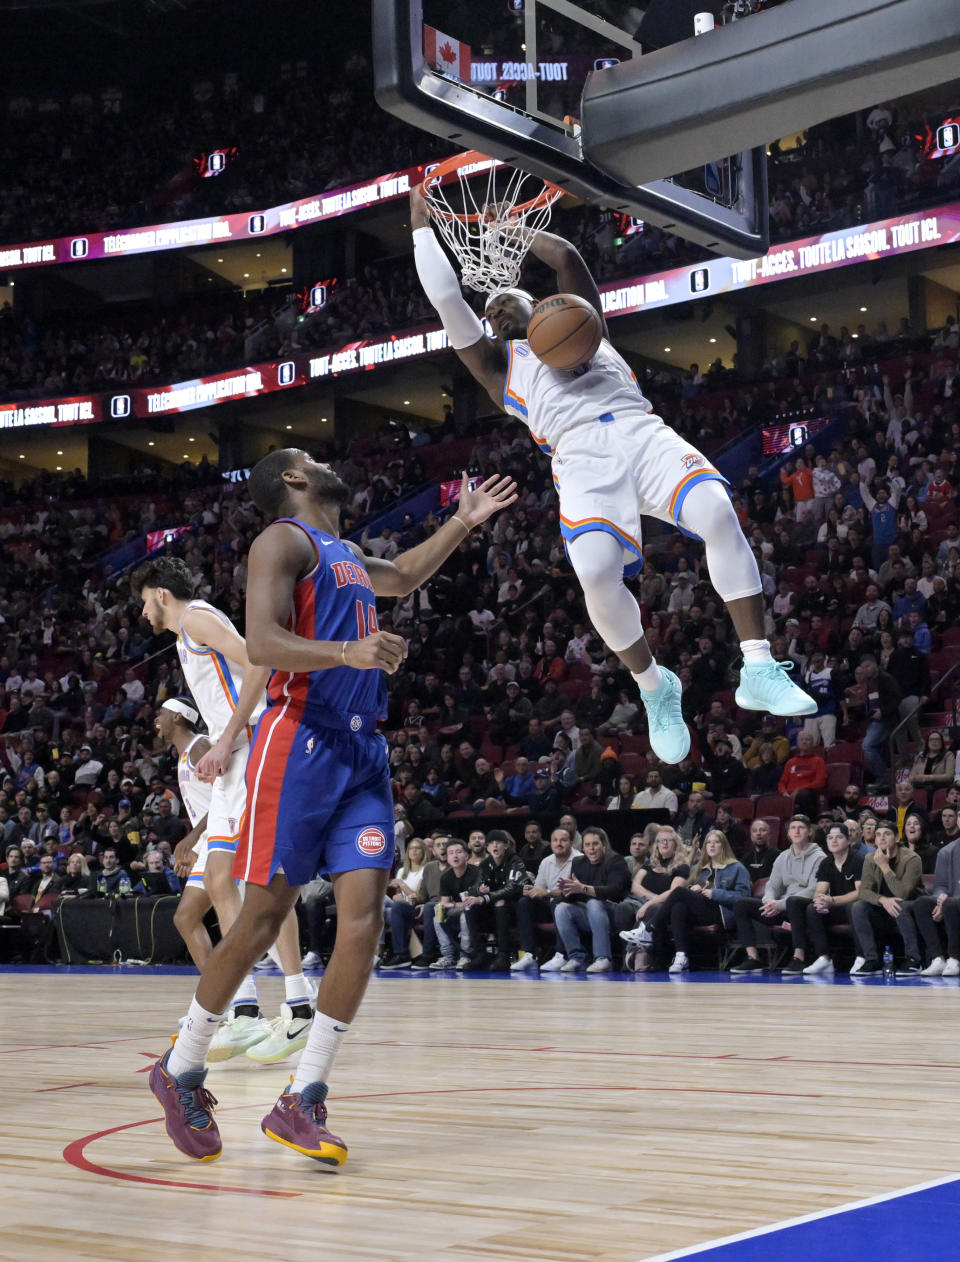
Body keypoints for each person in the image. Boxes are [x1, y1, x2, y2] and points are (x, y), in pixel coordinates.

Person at [147, 448, 515, 1165]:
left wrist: (463, 523)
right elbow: (261, 642)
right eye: (312, 457)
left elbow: (404, 575)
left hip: (362, 753)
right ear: (293, 479)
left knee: (364, 923)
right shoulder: (280, 541)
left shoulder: (344, 552)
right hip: (300, 743)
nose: (323, 462)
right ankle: (181, 1065)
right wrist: (349, 653)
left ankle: (304, 1096)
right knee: (257, 921)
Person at [409, 184, 815, 770]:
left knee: (718, 514)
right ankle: (654, 686)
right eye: (490, 310)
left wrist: (513, 231)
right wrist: (423, 229)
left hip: (639, 429)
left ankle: (757, 664)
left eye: (509, 300)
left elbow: (568, 258)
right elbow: (449, 300)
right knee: (596, 573)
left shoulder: (586, 323)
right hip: (579, 457)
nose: (496, 308)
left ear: (542, 307)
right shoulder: (499, 368)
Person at [135, 559, 315, 1064]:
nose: (142, 610)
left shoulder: (195, 617)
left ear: (162, 594)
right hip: (234, 758)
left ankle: (300, 1001)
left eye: (144, 599)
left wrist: (230, 737)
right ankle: (247, 1007)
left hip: (251, 747)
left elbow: (262, 656)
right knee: (219, 879)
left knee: (265, 878)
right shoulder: (185, 633)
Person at [729, 815, 825, 973]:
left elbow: (814, 889)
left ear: (809, 832)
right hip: (780, 907)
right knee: (741, 904)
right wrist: (768, 900)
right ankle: (753, 958)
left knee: (794, 901)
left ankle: (798, 958)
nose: (797, 831)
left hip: (802, 907)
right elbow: (772, 885)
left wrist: (780, 904)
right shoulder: (782, 857)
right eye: (793, 828)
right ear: (788, 833)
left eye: (801, 828)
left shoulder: (819, 857)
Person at [647, 829, 751, 973]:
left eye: (716, 842)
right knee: (679, 906)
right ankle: (681, 956)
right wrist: (693, 888)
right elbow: (691, 892)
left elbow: (743, 897)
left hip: (723, 913)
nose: (712, 845)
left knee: (679, 891)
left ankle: (649, 928)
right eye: (708, 842)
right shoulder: (700, 869)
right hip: (703, 911)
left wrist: (715, 893)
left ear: (724, 846)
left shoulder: (736, 867)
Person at [784, 823, 864, 976]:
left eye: (839, 837)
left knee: (854, 907)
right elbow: (820, 890)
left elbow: (860, 893)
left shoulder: (858, 859)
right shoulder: (826, 862)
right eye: (830, 838)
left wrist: (831, 900)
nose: (834, 841)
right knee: (811, 908)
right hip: (835, 906)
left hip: (855, 907)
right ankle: (824, 959)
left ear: (848, 841)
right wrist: (820, 901)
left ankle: (861, 957)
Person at [849, 821, 925, 975]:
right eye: (878, 835)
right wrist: (883, 900)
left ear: (897, 838)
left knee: (899, 904)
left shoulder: (912, 859)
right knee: (858, 907)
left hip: (910, 907)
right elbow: (864, 891)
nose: (882, 838)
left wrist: (884, 866)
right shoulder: (870, 858)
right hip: (883, 908)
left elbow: (903, 893)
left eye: (887, 834)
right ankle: (872, 960)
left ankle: (914, 960)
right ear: (875, 840)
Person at [550, 826, 630, 973]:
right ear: (583, 847)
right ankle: (576, 957)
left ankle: (603, 958)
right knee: (561, 908)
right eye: (587, 845)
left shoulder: (615, 860)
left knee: (594, 903)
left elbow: (615, 891)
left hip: (614, 913)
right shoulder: (578, 862)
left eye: (595, 844)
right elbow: (577, 892)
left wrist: (583, 888)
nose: (591, 849)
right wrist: (568, 891)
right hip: (590, 914)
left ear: (603, 845)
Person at [512, 826, 580, 971]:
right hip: (548, 905)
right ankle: (528, 955)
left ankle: (560, 955)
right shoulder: (546, 861)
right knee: (524, 902)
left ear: (571, 842)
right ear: (550, 843)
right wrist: (531, 891)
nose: (559, 843)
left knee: (558, 902)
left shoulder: (579, 860)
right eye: (555, 840)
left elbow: (572, 892)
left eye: (563, 840)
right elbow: (539, 890)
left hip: (572, 906)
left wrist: (547, 893)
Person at [904, 833, 960, 977]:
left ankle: (954, 958)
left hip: (954, 902)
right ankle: (937, 958)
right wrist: (940, 897)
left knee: (951, 904)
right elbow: (940, 885)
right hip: (952, 901)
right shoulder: (947, 851)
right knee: (921, 903)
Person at [378, 837, 431, 969]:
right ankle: (376, 952)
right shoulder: (402, 871)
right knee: (379, 900)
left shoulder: (426, 870)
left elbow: (418, 896)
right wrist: (396, 896)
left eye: (417, 848)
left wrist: (401, 884)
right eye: (411, 848)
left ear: (423, 851)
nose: (413, 851)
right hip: (399, 908)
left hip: (415, 909)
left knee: (392, 908)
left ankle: (400, 954)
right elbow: (399, 895)